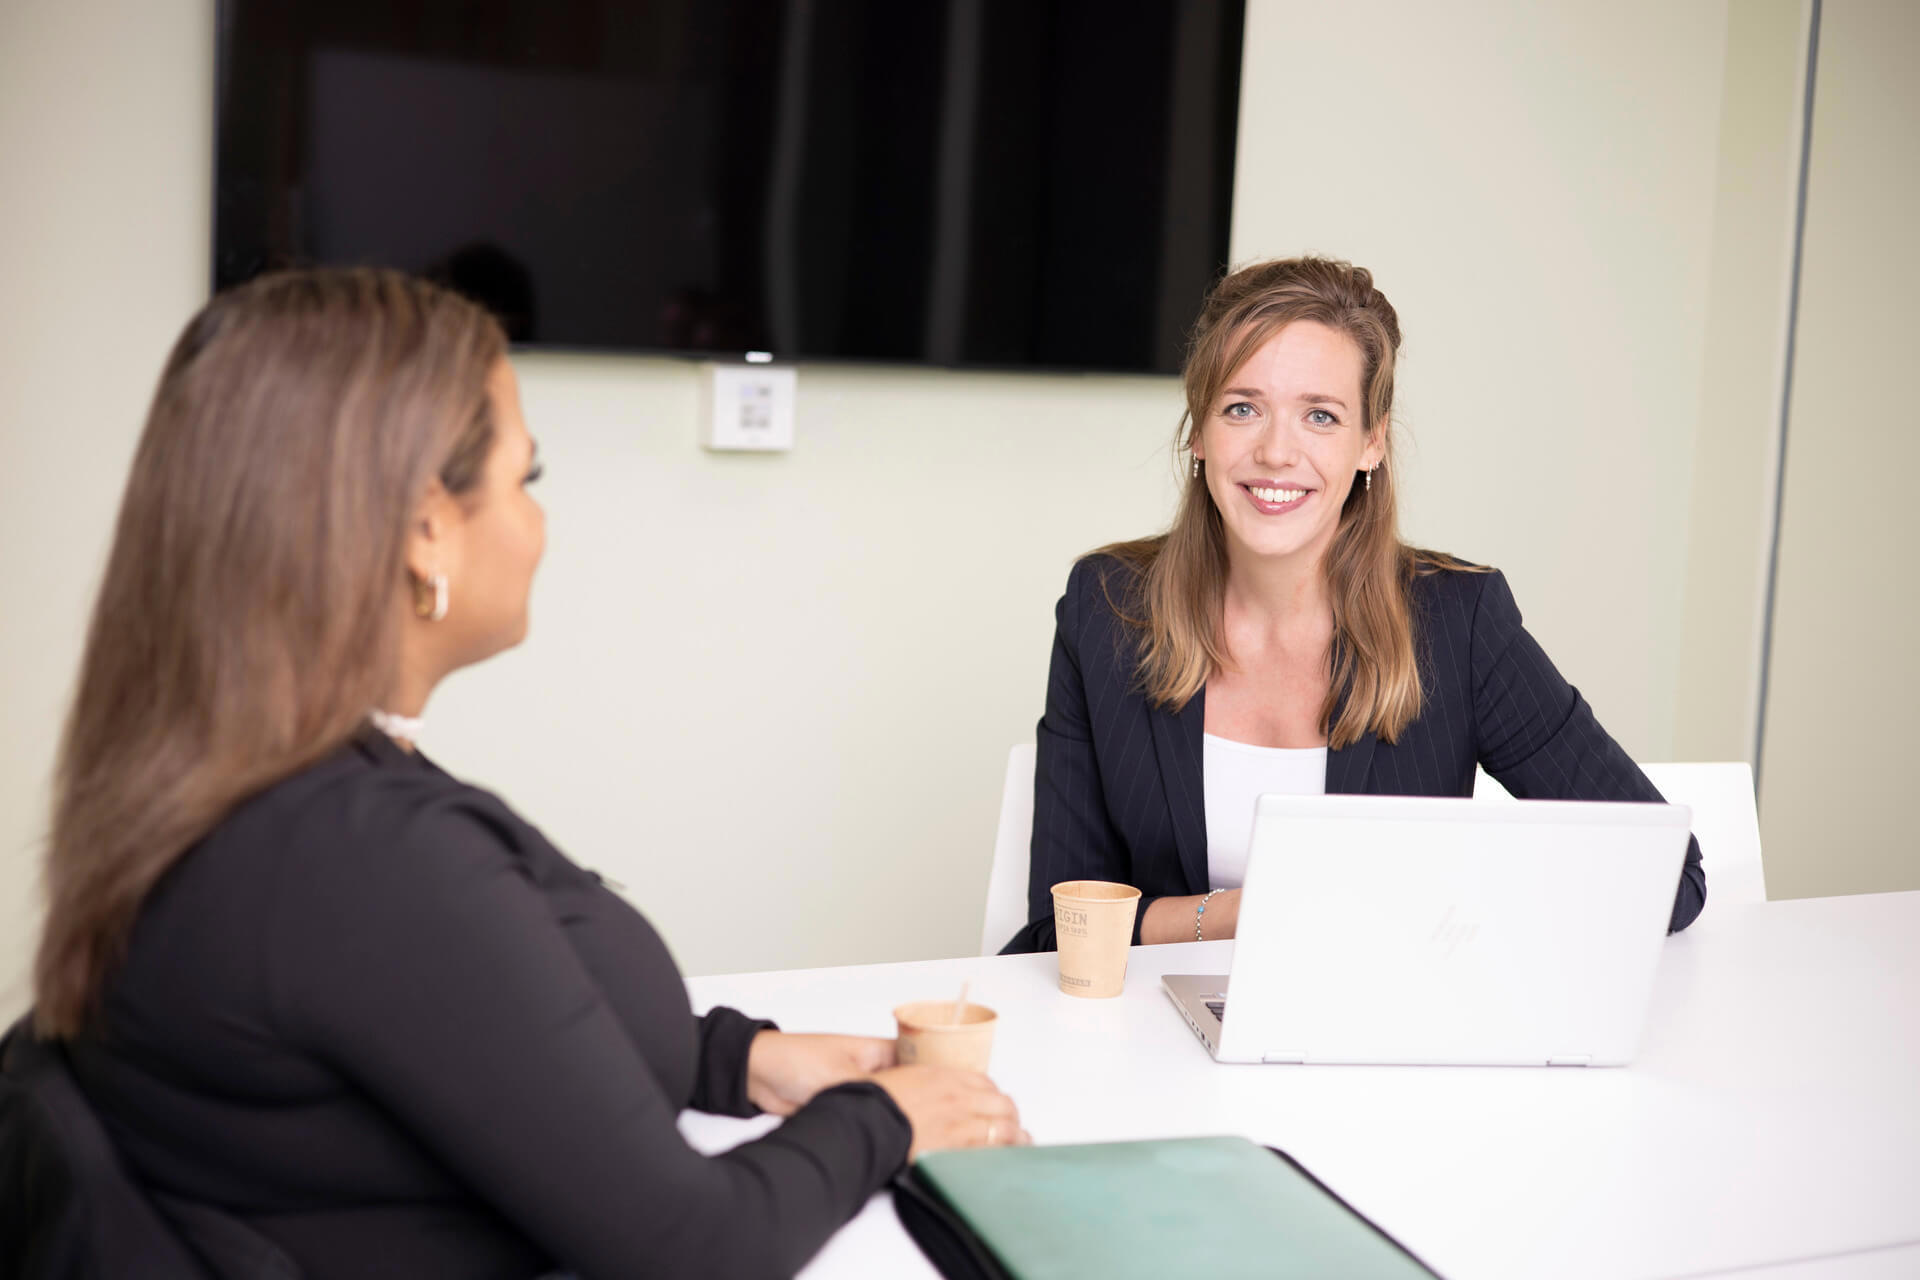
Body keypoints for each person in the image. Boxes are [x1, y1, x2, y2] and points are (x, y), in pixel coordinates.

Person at [28, 268, 1024, 1279]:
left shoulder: (248, 784)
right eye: (525, 479)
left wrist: (739, 1059)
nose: (539, 524)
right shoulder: (366, 856)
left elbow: (463, 1025)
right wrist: (885, 1117)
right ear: (426, 526)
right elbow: (694, 1246)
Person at [1003, 257, 1705, 954]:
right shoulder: (1106, 610)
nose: (1277, 451)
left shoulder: (1459, 622)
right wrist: (1243, 914)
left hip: (1389, 1038)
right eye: (1242, 408)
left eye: (1321, 416)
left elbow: (1670, 881)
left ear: (1371, 443)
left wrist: (1440, 910)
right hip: (1162, 1041)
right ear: (1199, 432)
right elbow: (1059, 932)